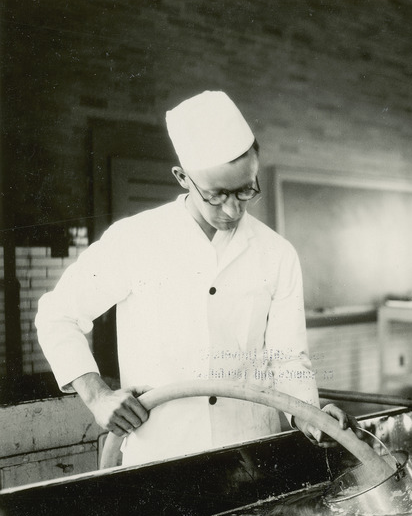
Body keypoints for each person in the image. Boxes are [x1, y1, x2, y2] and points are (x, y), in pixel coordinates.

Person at [36, 90, 356, 466]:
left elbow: (288, 360)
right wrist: (96, 395)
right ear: (183, 178)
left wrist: (312, 417)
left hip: (251, 449)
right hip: (162, 451)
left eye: (245, 190)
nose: (233, 209)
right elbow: (56, 315)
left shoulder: (277, 253)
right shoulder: (135, 239)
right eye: (217, 194)